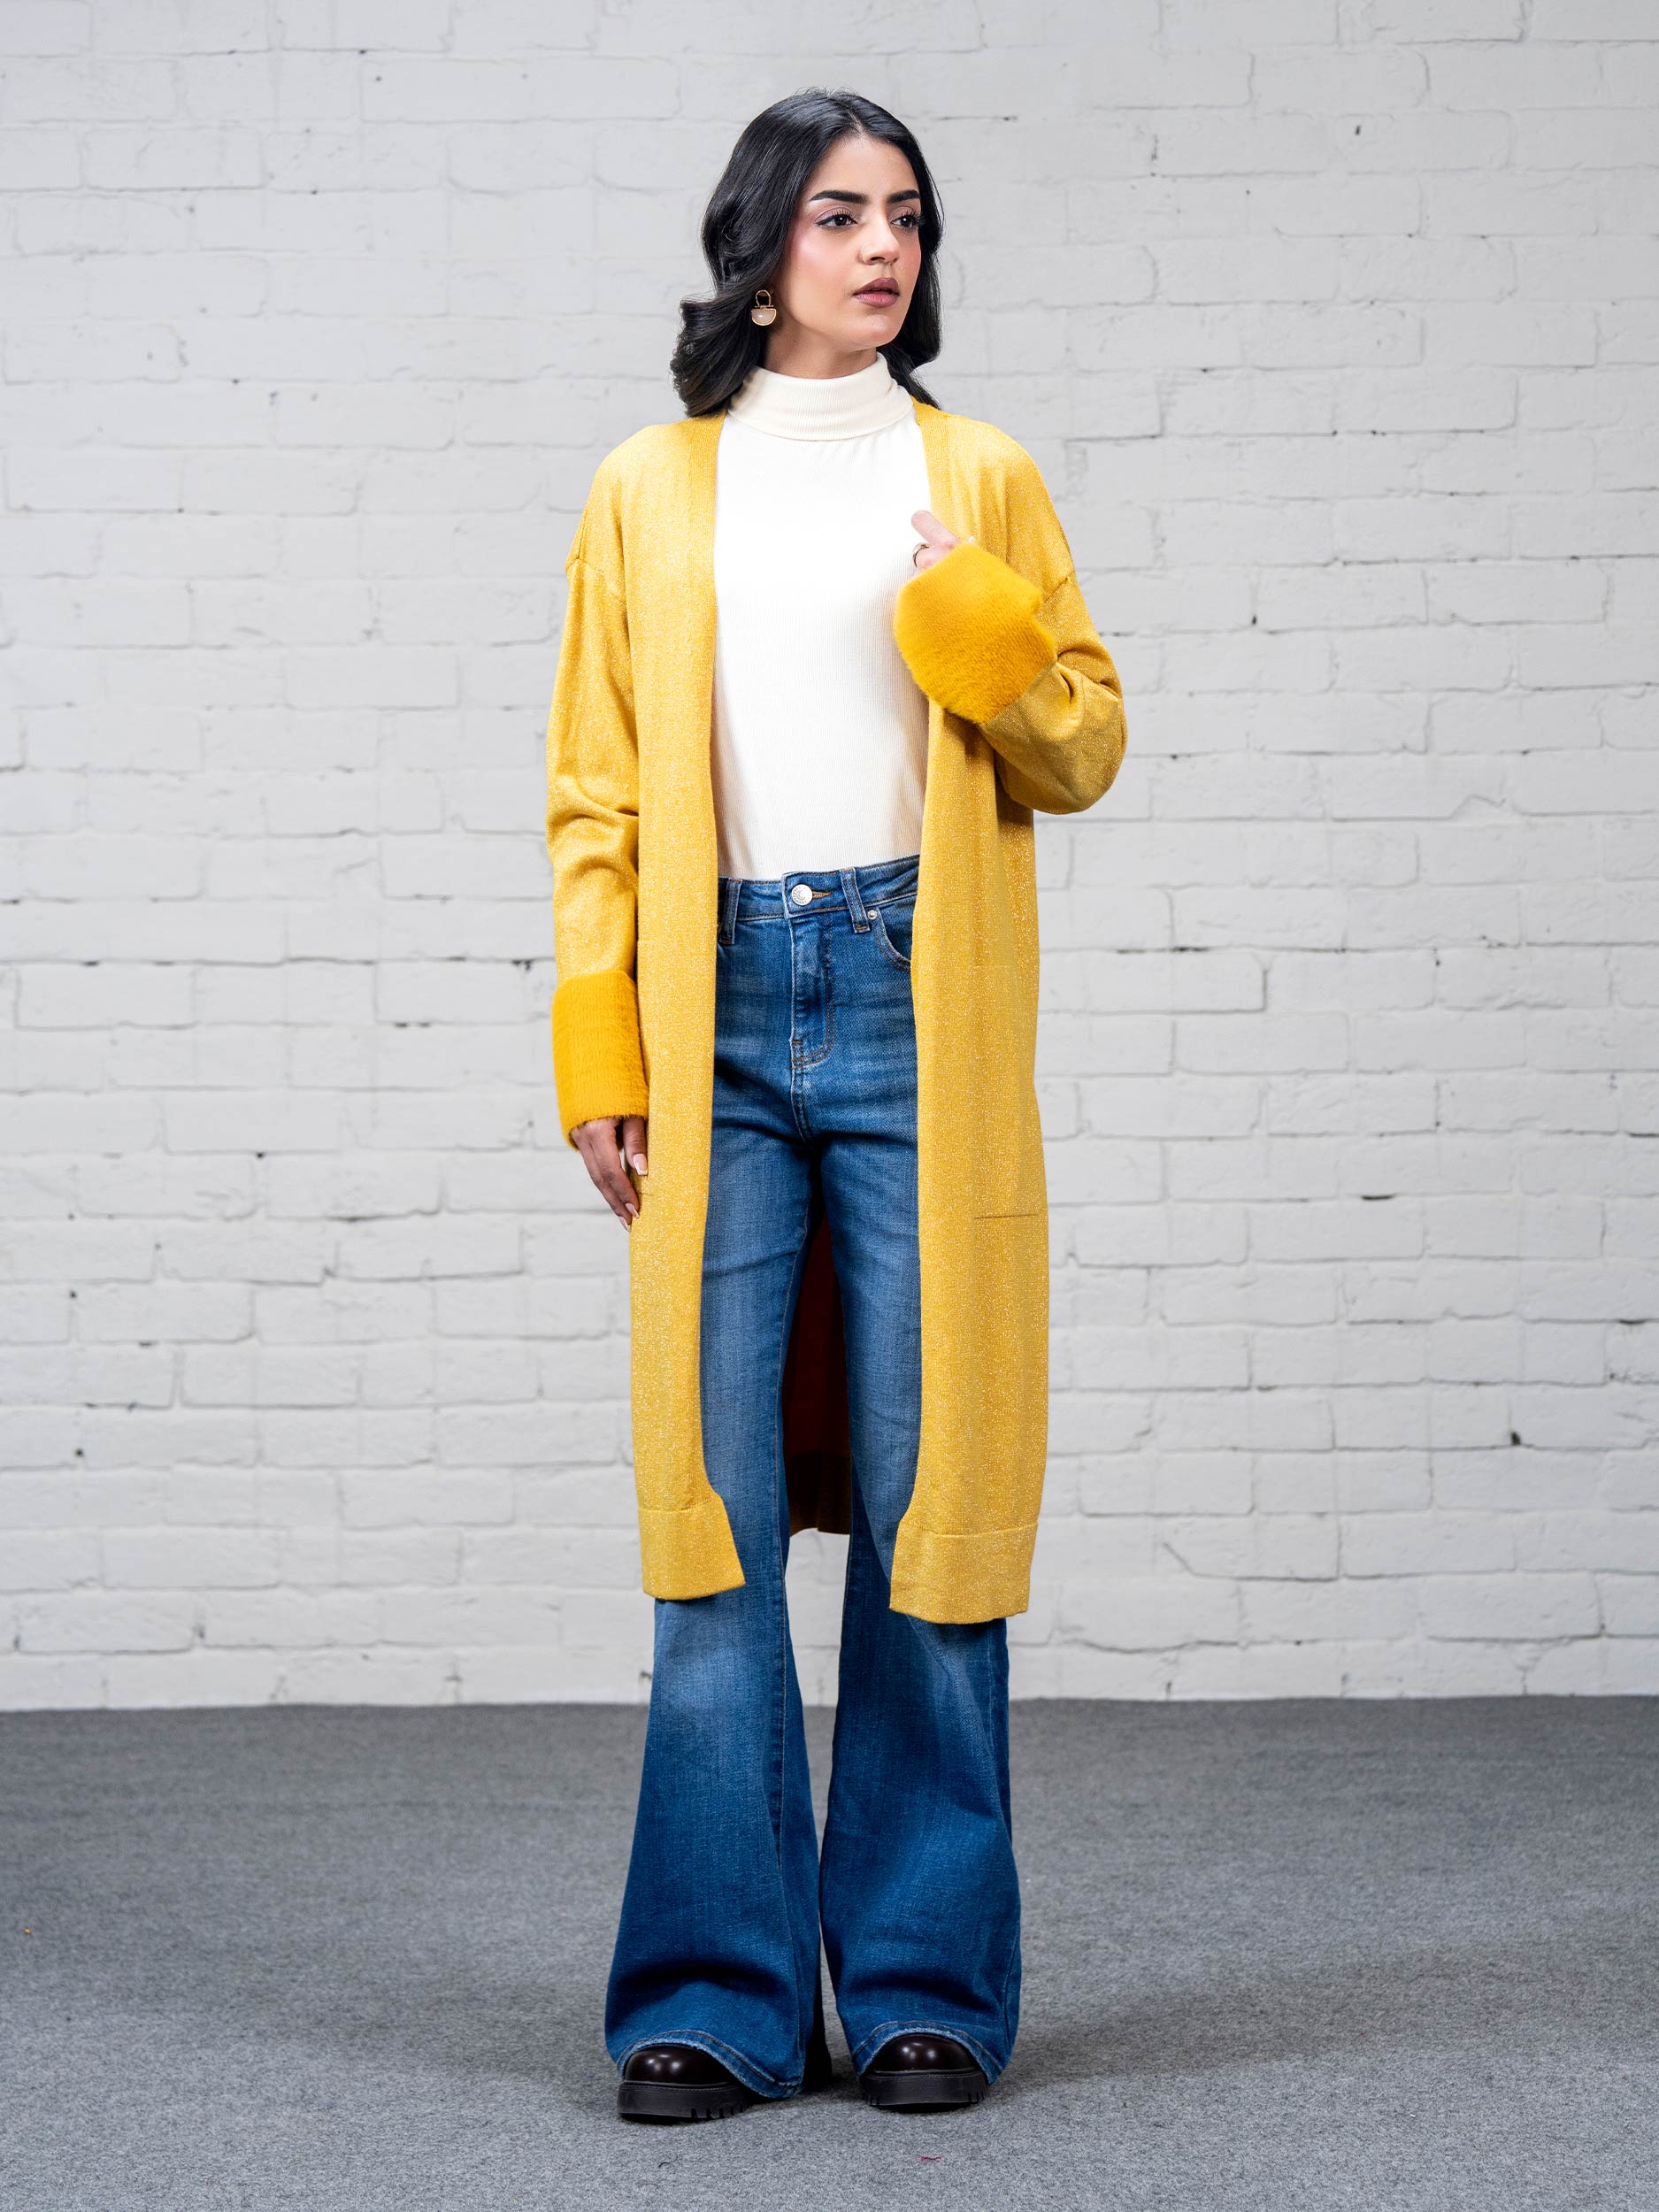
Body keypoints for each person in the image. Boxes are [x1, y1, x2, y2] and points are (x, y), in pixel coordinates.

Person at [544, 88, 1128, 2124]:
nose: (880, 247)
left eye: (905, 215)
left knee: (927, 1505)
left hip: (906, 1001)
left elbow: (1081, 745)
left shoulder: (976, 476)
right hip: (709, 1003)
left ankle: (920, 1986)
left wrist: (982, 636)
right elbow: (598, 789)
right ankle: (707, 1991)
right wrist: (599, 1048)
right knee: (704, 1517)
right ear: (757, 246)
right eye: (836, 214)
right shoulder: (650, 486)